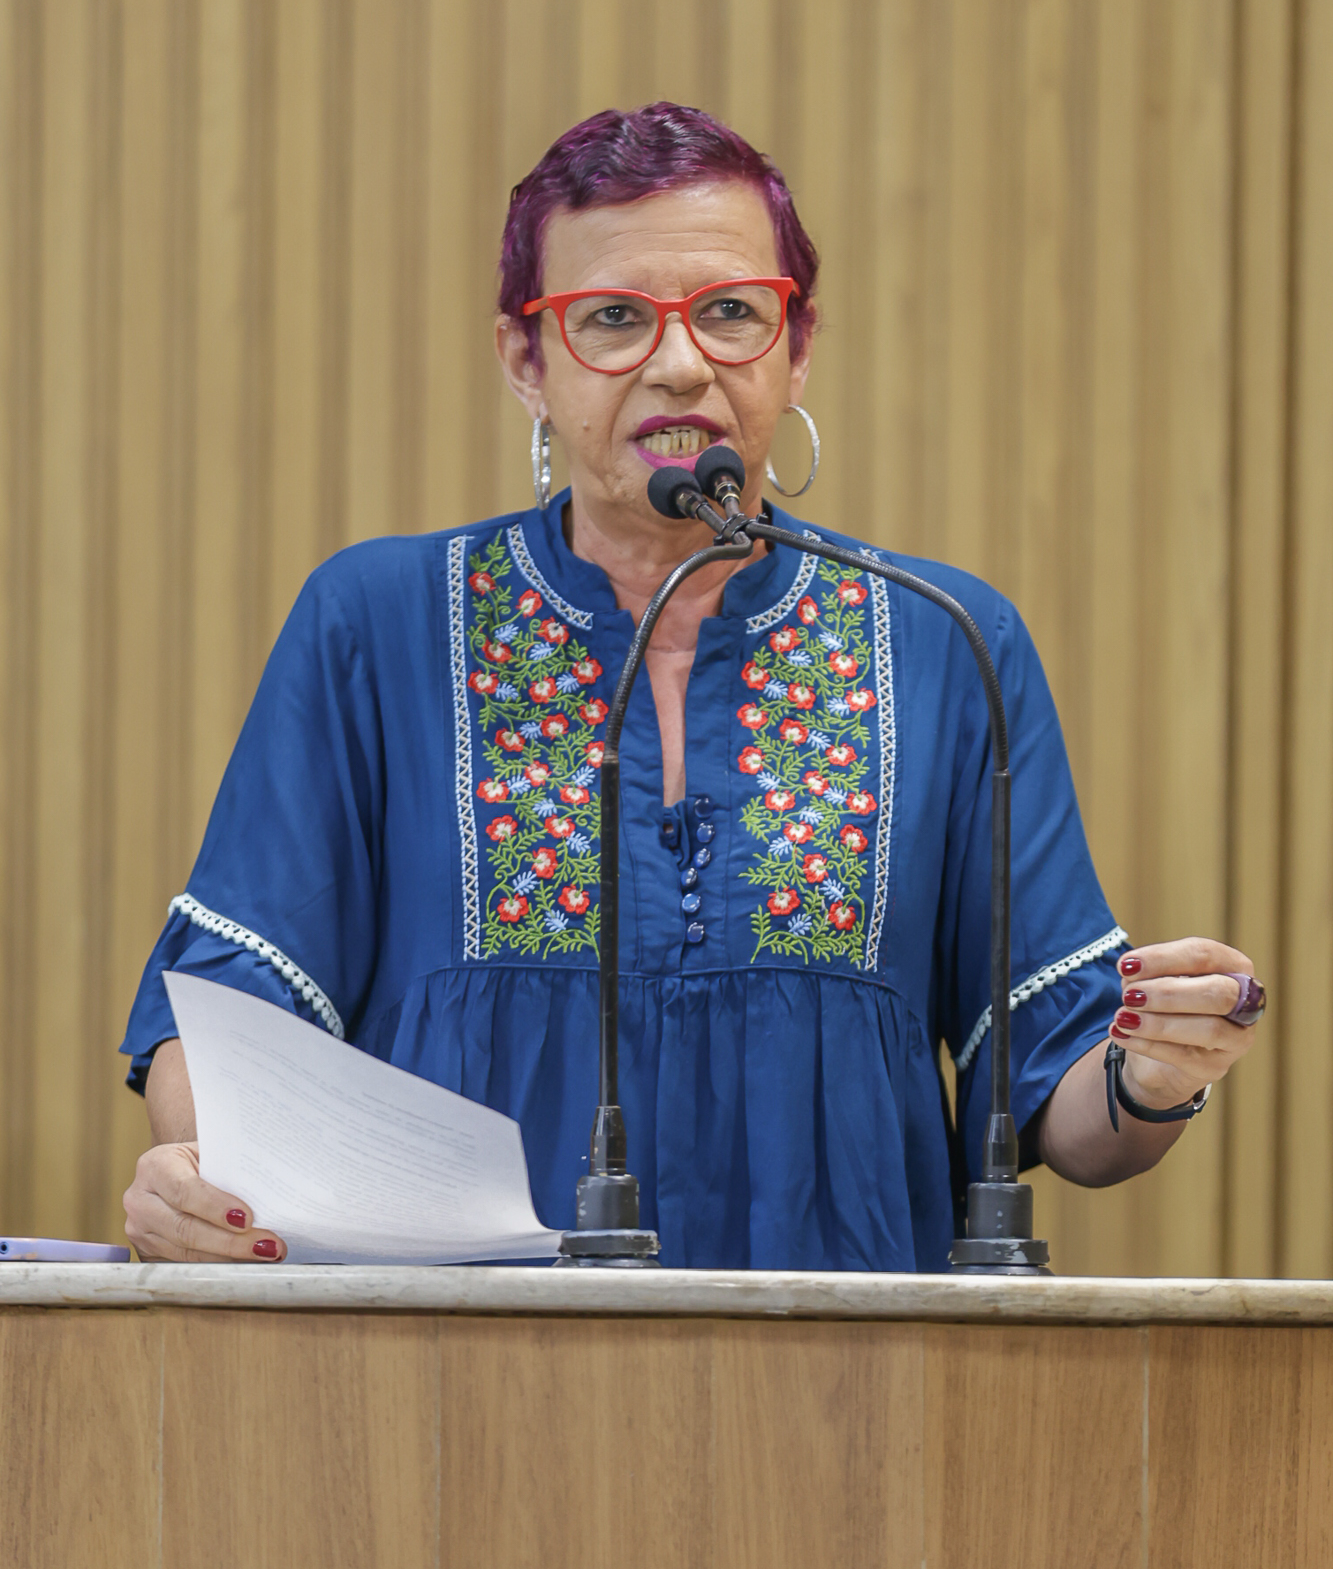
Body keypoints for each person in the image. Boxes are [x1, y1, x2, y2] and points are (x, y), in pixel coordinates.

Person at [121, 103, 1264, 1267]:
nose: (679, 364)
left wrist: (1151, 1069)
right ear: (526, 359)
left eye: (730, 312)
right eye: (613, 318)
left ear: (795, 346)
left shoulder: (943, 640)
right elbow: (227, 1012)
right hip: (449, 1356)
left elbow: (1062, 1100)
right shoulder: (379, 622)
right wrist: (202, 1173)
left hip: (849, 1362)